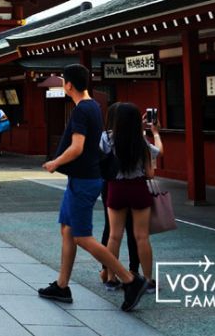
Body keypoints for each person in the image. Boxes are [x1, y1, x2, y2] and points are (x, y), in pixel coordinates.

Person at [39, 64, 148, 312]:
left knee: (82, 237)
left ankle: (130, 280)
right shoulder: (94, 106)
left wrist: (55, 162)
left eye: (63, 81)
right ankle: (62, 285)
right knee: (67, 229)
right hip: (84, 177)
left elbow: (77, 147)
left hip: (84, 180)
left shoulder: (81, 111)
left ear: (68, 84)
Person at [100, 103, 163, 293]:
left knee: (114, 235)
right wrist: (156, 133)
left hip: (115, 189)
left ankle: (111, 278)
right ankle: (148, 280)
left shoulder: (106, 138)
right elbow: (154, 163)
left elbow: (98, 156)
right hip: (138, 188)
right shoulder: (141, 141)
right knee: (142, 237)